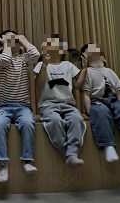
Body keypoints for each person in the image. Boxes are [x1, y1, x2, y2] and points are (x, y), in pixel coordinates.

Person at [77, 43, 120, 163]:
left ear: (104, 58)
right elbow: (86, 94)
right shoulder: (87, 73)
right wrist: (89, 110)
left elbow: (119, 92)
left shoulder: (110, 71)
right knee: (101, 114)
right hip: (97, 102)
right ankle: (108, 145)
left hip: (113, 100)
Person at [0, 30, 40, 183]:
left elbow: (36, 54)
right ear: (0, 46)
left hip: (23, 106)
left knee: (28, 123)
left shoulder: (24, 59)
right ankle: (2, 163)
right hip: (3, 106)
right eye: (8, 38)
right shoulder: (0, 58)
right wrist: (7, 43)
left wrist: (23, 39)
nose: (12, 39)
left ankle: (27, 161)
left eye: (14, 38)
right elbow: (5, 60)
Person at [34, 34, 86, 168]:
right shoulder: (41, 65)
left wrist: (85, 69)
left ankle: (72, 152)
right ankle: (66, 153)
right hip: (47, 105)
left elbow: (77, 85)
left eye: (51, 42)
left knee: (77, 119)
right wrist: (44, 65)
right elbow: (38, 87)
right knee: (55, 121)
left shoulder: (68, 65)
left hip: (68, 104)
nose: (47, 44)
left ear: (62, 50)